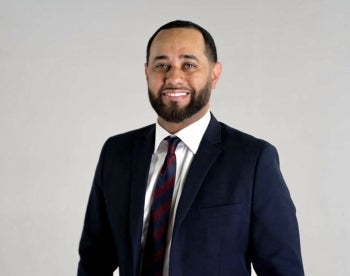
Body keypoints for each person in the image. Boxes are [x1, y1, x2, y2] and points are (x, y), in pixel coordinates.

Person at [77, 20, 304, 276]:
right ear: (146, 72)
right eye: (162, 65)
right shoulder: (117, 153)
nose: (174, 78)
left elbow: (283, 270)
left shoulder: (253, 160)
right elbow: (93, 261)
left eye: (189, 65)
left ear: (214, 74)